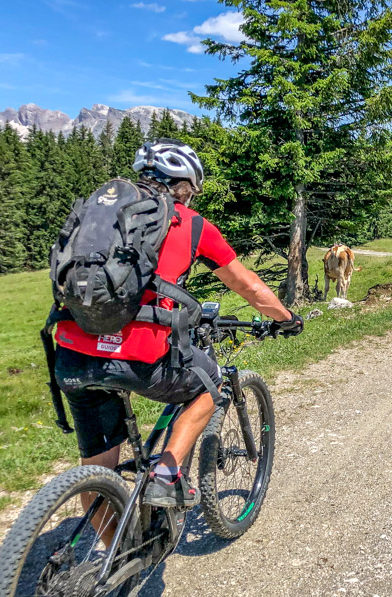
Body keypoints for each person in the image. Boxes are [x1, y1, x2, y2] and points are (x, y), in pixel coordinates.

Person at [54, 138, 303, 508]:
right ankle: (167, 475)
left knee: (98, 472)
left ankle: (114, 560)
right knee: (210, 384)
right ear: (183, 187)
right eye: (192, 190)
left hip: (72, 353)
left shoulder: (101, 218)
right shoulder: (190, 223)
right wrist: (286, 318)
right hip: (139, 357)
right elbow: (247, 284)